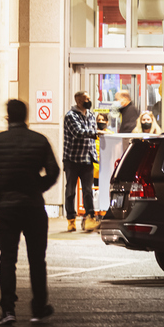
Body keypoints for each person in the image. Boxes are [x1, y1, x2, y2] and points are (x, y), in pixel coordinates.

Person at [0, 98, 60, 326]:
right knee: (37, 259)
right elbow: (54, 170)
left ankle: (8, 309)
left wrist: (1, 193)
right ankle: (38, 307)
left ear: (8, 116)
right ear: (26, 116)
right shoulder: (39, 140)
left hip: (7, 208)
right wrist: (39, 187)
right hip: (34, 207)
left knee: (7, 259)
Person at [63, 91, 99, 233]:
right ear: (78, 101)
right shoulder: (70, 116)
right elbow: (78, 132)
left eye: (89, 99)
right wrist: (95, 133)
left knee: (88, 190)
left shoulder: (91, 115)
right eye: (86, 99)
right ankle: (71, 220)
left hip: (87, 158)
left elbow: (92, 132)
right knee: (70, 190)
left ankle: (89, 217)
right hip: (72, 158)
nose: (89, 101)